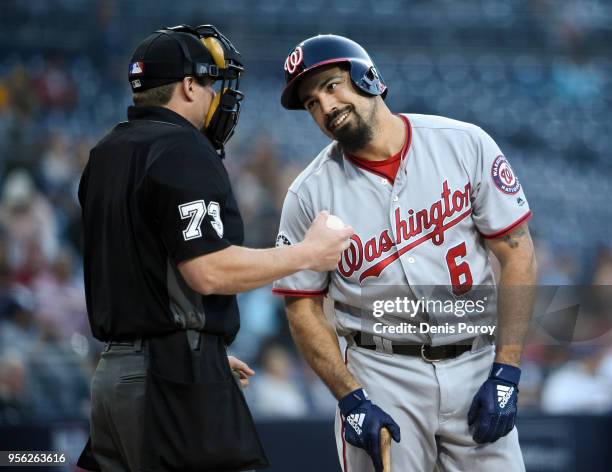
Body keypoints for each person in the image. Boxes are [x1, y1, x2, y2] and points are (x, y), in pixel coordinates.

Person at [76, 25, 353, 472]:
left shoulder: (105, 153)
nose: (215, 99)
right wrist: (308, 253)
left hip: (114, 374)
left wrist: (198, 345)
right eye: (209, 85)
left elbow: (145, 271)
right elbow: (207, 270)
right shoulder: (182, 147)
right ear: (188, 86)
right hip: (169, 381)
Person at [274, 35, 537, 472]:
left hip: (475, 364)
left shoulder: (463, 143)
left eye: (332, 85)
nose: (325, 106)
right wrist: (350, 396)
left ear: (369, 78)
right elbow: (301, 307)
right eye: (311, 102)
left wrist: (507, 370)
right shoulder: (309, 193)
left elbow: (516, 251)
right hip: (382, 373)